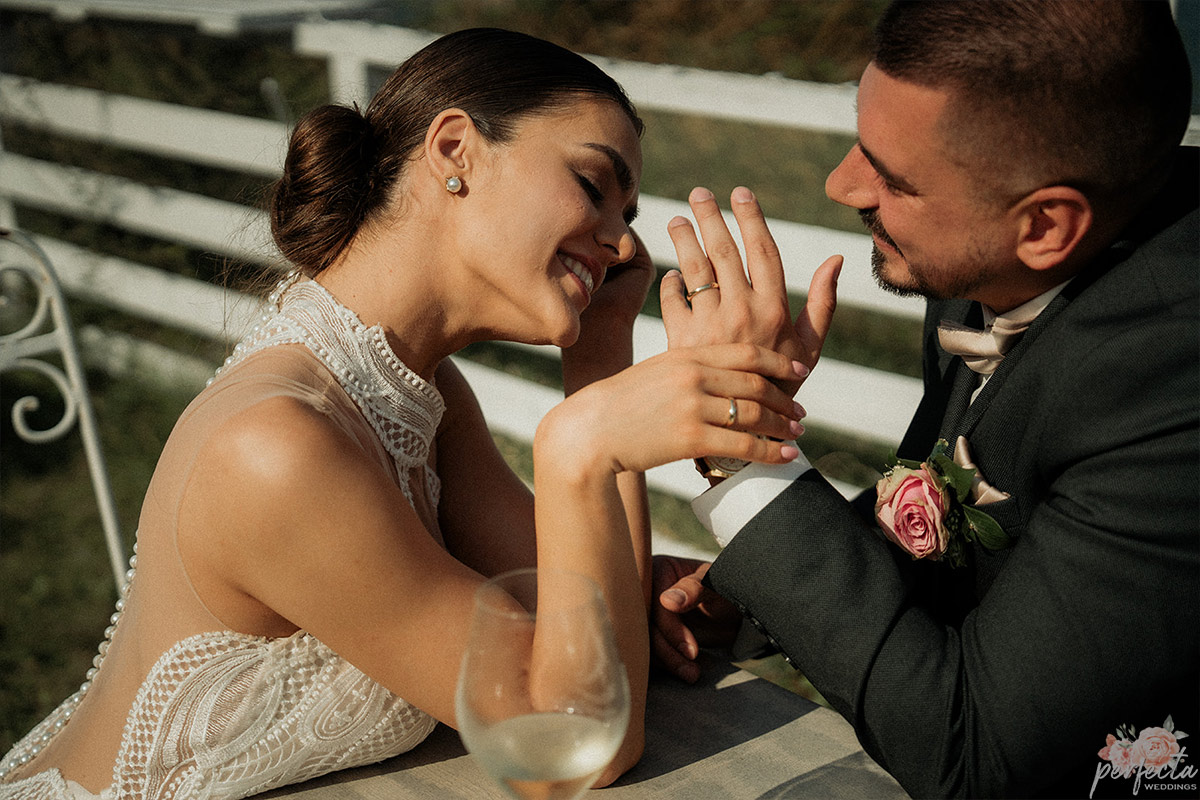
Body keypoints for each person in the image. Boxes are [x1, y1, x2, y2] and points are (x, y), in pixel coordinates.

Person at [0, 28, 813, 800]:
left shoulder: (418, 392)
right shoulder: (278, 445)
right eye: (594, 187)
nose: (621, 244)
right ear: (455, 150)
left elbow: (592, 647)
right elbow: (575, 744)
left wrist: (598, 361)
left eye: (628, 221)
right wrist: (580, 447)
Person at [651, 2, 1199, 798]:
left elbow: (974, 756)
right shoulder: (991, 260)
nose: (843, 184)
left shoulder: (1172, 381)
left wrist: (736, 448)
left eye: (893, 177)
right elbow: (975, 521)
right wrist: (748, 601)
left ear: (1046, 224)